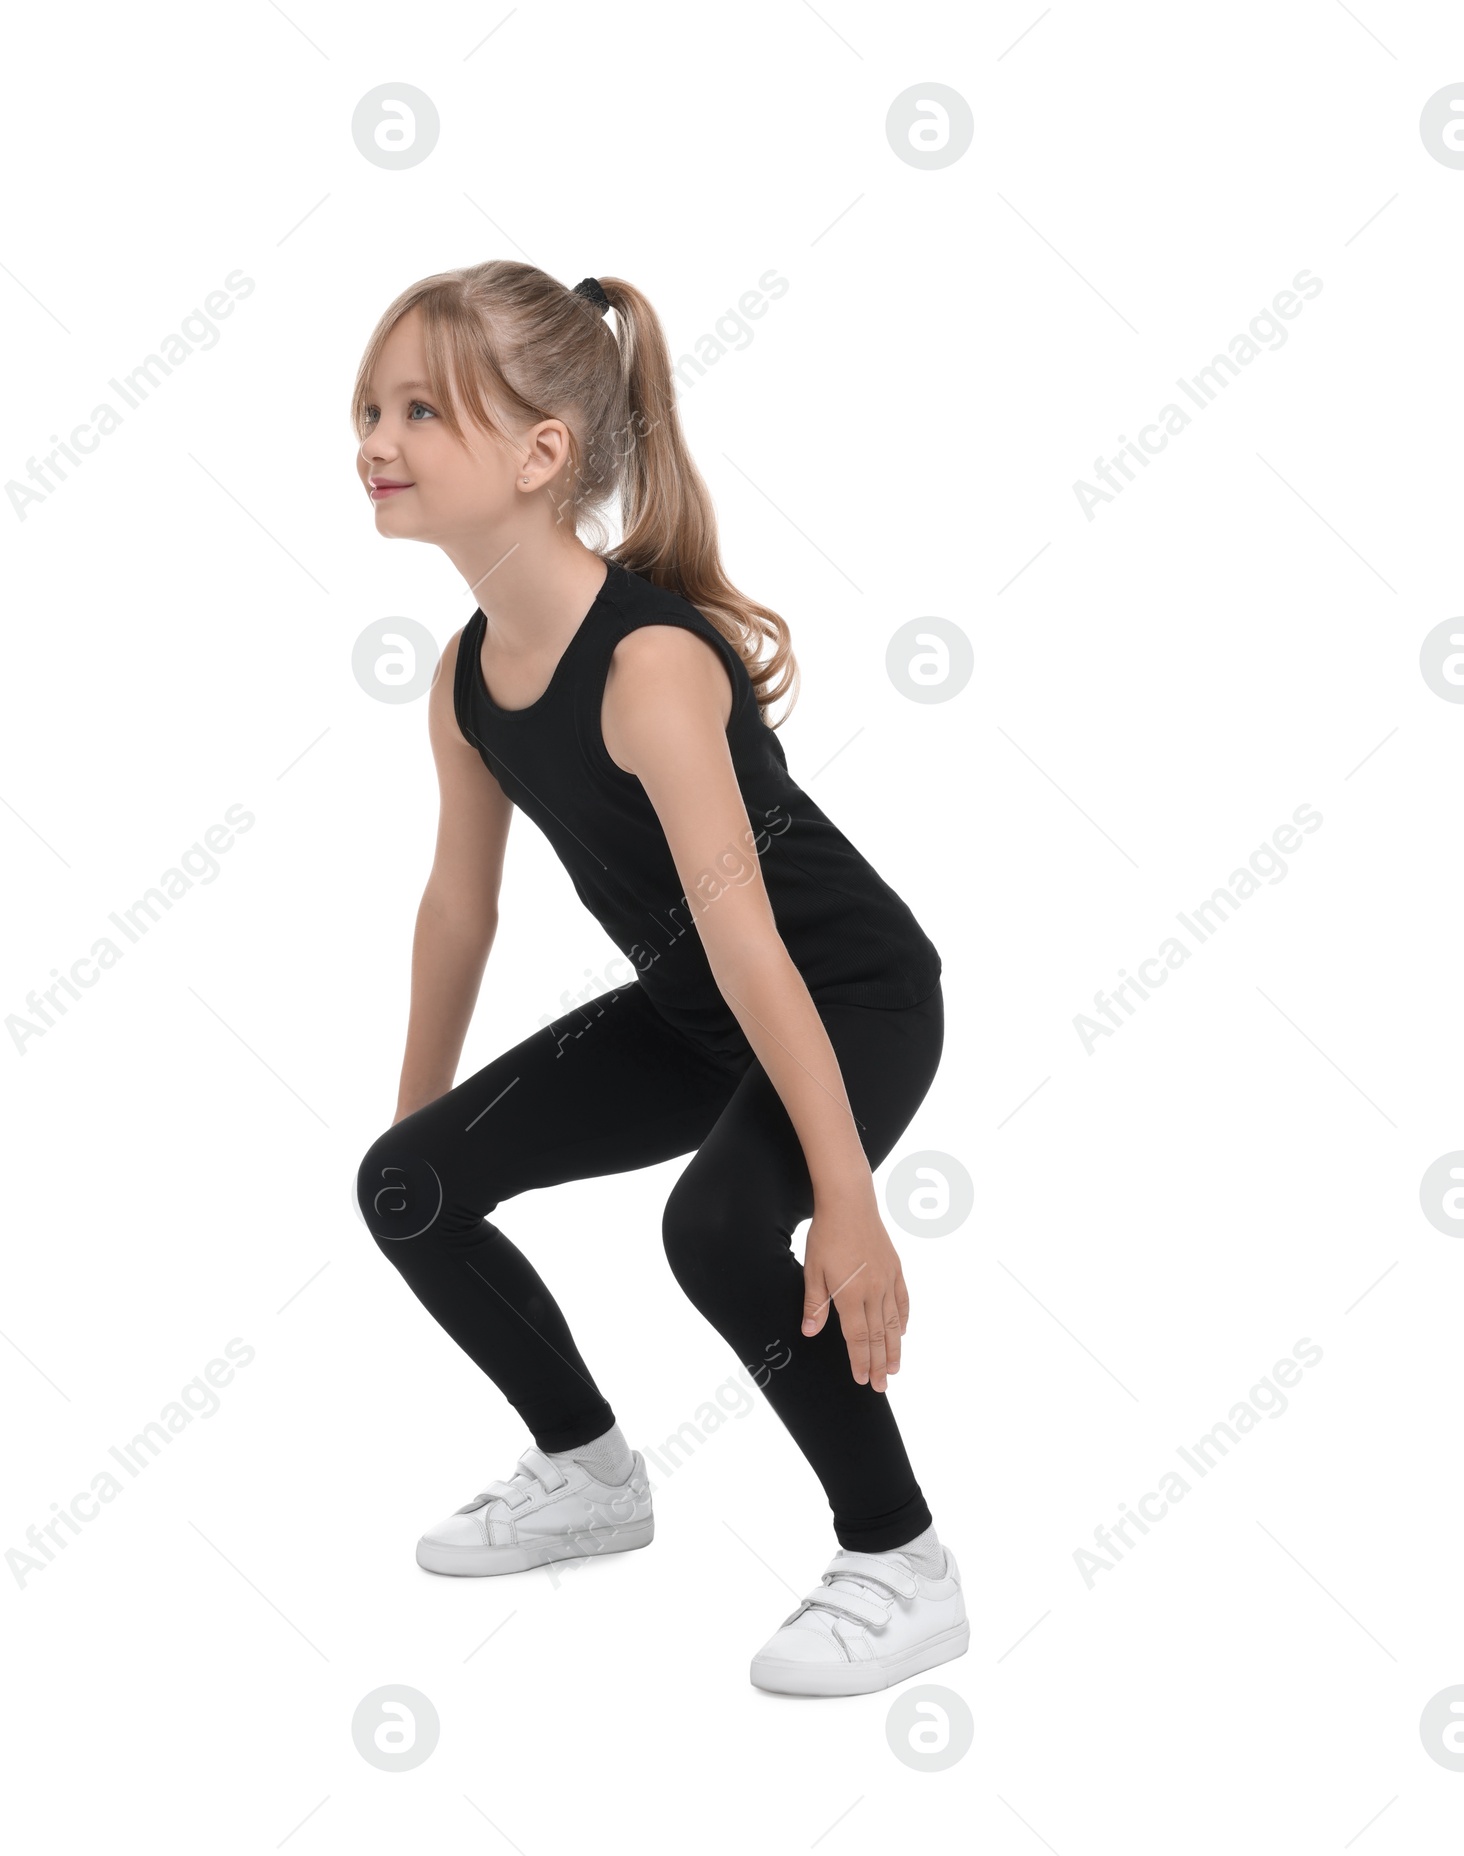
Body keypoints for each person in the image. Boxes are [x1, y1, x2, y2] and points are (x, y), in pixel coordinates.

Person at [350, 262, 968, 1697]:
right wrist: (416, 1137)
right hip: (705, 1014)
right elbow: (459, 903)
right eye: (368, 408)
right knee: (404, 1191)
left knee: (713, 1228)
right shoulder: (465, 676)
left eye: (420, 411)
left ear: (540, 454)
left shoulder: (650, 667)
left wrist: (851, 1205)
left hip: (850, 994)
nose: (375, 442)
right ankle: (587, 1473)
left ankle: (900, 1557)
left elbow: (754, 941)